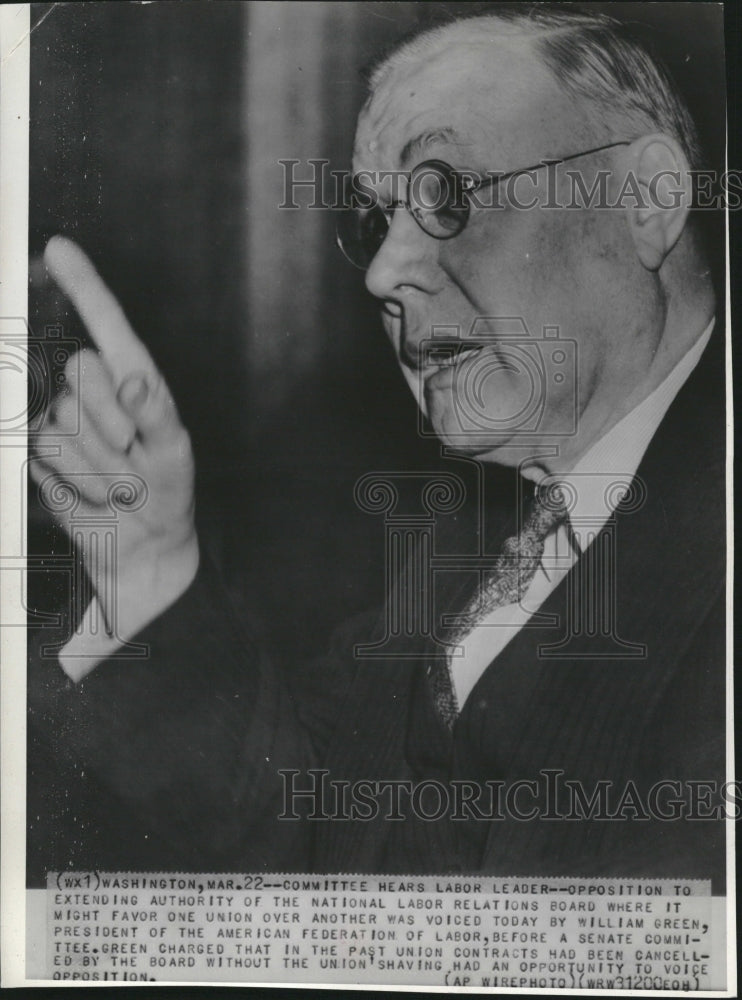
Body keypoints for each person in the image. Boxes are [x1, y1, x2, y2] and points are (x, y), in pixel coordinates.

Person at [28, 6, 727, 886]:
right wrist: (151, 572)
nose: (382, 271)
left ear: (648, 199)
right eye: (378, 219)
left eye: (443, 192)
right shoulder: (462, 541)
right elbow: (304, 844)